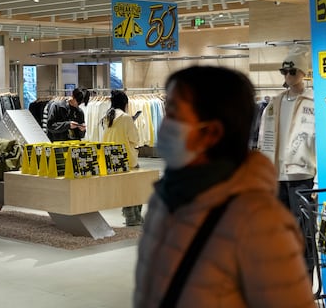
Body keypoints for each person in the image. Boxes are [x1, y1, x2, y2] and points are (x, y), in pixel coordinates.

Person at [134, 66, 315, 308]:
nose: (164, 124)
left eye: (175, 114)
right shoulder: (164, 198)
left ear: (212, 131)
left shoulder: (259, 222)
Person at [257, 47, 317, 274]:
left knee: (304, 233)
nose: (288, 76)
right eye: (284, 72)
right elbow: (263, 140)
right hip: (276, 178)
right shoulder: (273, 104)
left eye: (292, 71)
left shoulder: (314, 102)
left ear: (303, 72)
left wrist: (318, 180)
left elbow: (320, 141)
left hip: (303, 178)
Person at [101, 89, 143, 226]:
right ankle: (133, 216)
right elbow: (135, 139)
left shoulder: (108, 116)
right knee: (136, 187)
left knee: (127, 187)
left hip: (112, 157)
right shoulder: (125, 118)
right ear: (124, 103)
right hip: (128, 158)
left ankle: (131, 215)